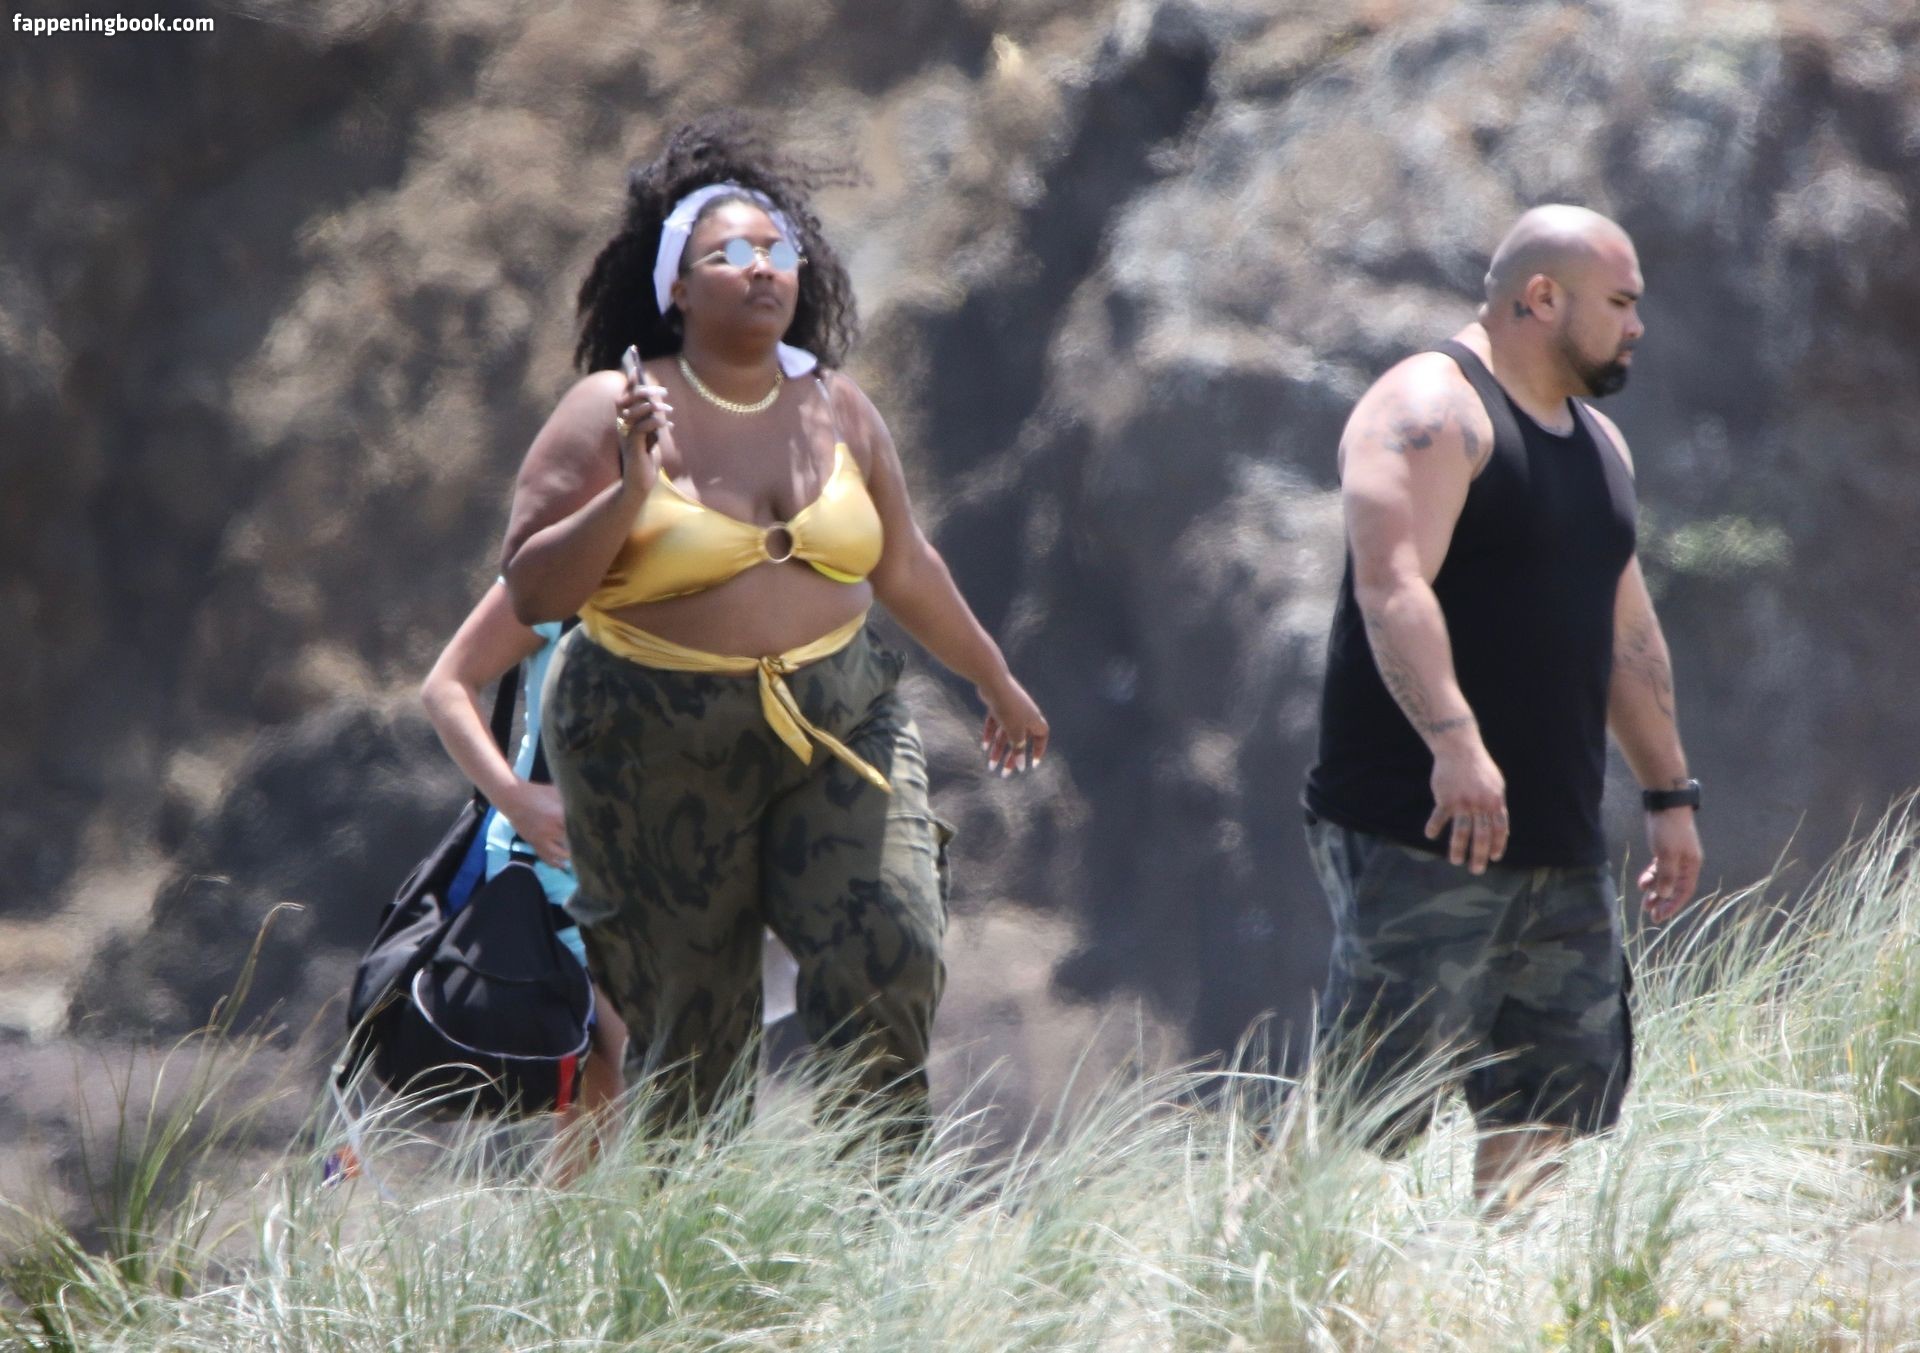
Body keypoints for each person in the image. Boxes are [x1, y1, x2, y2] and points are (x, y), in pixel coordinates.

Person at [498, 115, 1048, 1142]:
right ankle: (690, 1230)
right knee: (693, 1030)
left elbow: (905, 566)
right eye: (729, 253)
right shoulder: (610, 407)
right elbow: (532, 590)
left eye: (776, 249)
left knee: (890, 942)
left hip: (839, 718)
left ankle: (873, 1207)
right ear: (675, 286)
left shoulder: (841, 410)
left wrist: (994, 679)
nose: (761, 267)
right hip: (650, 738)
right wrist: (629, 493)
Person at [1301, 204, 1704, 1206]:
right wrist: (1454, 741)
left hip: (1558, 845)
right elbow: (1391, 585)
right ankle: (1274, 1278)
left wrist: (1669, 794)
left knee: (1547, 1112)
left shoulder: (1601, 444)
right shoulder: (1432, 407)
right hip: (1423, 826)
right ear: (1542, 297)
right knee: (1366, 1120)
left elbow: (1627, 632)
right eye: (1621, 302)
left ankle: (1509, 1291)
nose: (1638, 326)